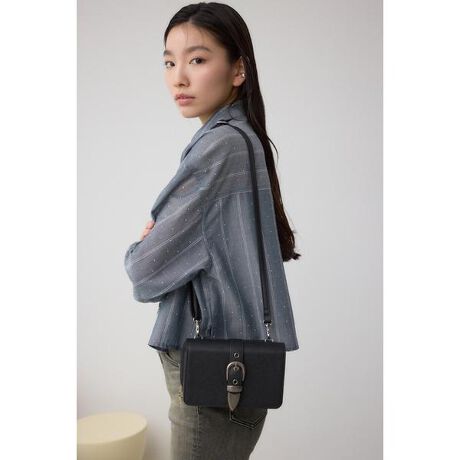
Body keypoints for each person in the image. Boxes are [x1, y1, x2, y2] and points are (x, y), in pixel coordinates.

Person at [124, 3, 301, 459]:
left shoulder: (219, 147)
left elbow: (145, 273)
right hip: (233, 366)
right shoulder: (242, 139)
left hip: (211, 374)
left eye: (197, 60)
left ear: (239, 69)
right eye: (169, 62)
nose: (179, 78)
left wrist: (142, 245)